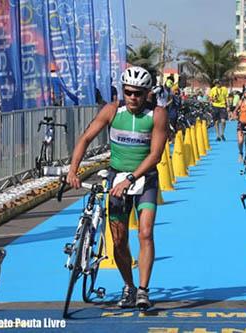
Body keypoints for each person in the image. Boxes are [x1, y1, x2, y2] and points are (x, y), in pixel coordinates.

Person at [66, 66, 168, 310]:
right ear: (123, 91)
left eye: (138, 93)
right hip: (116, 178)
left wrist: (130, 179)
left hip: (144, 179)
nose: (133, 97)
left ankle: (143, 290)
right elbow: (85, 138)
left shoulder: (158, 114)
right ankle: (129, 286)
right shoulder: (112, 110)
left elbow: (155, 155)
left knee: (145, 232)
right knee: (119, 241)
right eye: (129, 92)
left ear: (147, 94)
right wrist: (73, 169)